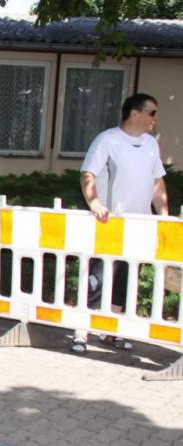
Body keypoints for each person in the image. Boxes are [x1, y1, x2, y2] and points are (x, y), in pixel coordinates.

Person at [71, 93, 168, 354]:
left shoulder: (151, 144)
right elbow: (87, 174)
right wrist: (95, 203)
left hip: (139, 224)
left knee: (126, 278)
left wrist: (163, 214)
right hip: (110, 222)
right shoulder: (108, 140)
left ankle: (111, 330)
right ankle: (81, 331)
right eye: (151, 113)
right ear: (135, 113)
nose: (155, 119)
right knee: (99, 275)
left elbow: (157, 182)